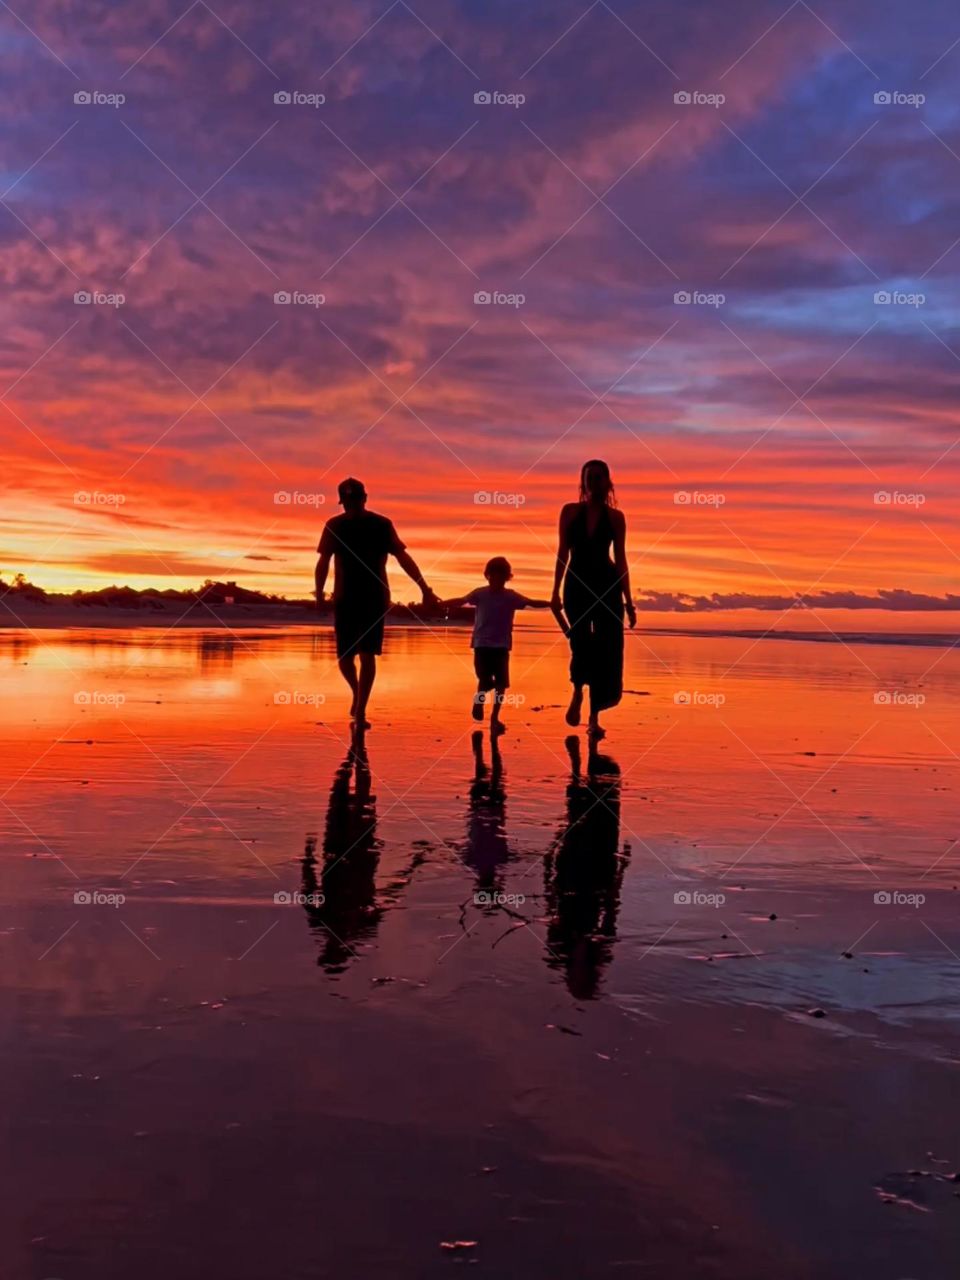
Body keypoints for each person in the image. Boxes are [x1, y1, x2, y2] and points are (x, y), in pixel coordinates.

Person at [315, 478, 438, 727]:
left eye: (355, 499)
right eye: (349, 500)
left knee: (364, 654)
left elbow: (403, 557)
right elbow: (323, 562)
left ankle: (360, 711)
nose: (353, 504)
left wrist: (425, 587)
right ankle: (358, 694)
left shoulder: (380, 524)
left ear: (363, 499)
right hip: (347, 597)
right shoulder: (335, 526)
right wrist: (319, 592)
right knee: (347, 657)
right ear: (345, 501)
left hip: (370, 598)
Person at [550, 460, 636, 740]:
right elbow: (562, 552)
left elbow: (621, 560)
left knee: (606, 650)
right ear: (583, 483)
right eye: (590, 478)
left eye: (600, 478)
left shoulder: (616, 518)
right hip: (576, 584)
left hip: (607, 586)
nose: (595, 482)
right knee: (580, 641)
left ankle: (594, 717)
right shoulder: (570, 512)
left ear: (608, 482)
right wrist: (554, 591)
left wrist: (629, 600)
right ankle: (577, 690)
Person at [443, 555, 554, 735]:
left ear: (506, 577)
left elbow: (531, 602)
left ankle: (495, 717)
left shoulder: (510, 596)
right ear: (488, 575)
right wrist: (441, 604)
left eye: (501, 576)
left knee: (501, 684)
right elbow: (461, 600)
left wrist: (551, 604)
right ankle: (479, 702)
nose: (497, 579)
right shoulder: (480, 594)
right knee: (483, 678)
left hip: (501, 646)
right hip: (481, 644)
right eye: (493, 575)